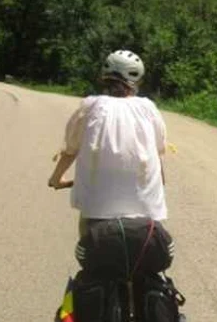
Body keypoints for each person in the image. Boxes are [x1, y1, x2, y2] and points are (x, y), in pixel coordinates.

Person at [48, 50, 168, 236]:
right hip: (146, 210)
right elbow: (159, 152)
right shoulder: (148, 108)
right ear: (138, 80)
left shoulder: (90, 106)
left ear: (105, 77)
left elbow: (70, 150)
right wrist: (160, 183)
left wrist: (56, 179)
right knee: (150, 255)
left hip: (97, 210)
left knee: (90, 252)